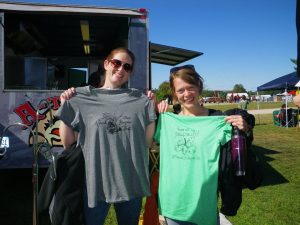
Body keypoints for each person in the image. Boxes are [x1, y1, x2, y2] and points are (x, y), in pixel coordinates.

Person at [56, 47, 157, 225]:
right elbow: (68, 143)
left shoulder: (140, 101)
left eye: (127, 67)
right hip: (95, 185)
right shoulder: (82, 98)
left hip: (130, 184)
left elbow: (147, 142)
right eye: (117, 63)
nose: (121, 69)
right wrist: (66, 108)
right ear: (106, 64)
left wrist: (153, 111)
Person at [155, 65, 253, 225]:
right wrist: (155, 112)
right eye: (180, 90)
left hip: (204, 206)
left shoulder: (217, 121)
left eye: (190, 88)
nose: (186, 94)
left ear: (199, 87)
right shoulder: (166, 121)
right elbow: (147, 143)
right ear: (174, 93)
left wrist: (246, 128)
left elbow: (241, 148)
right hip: (172, 205)